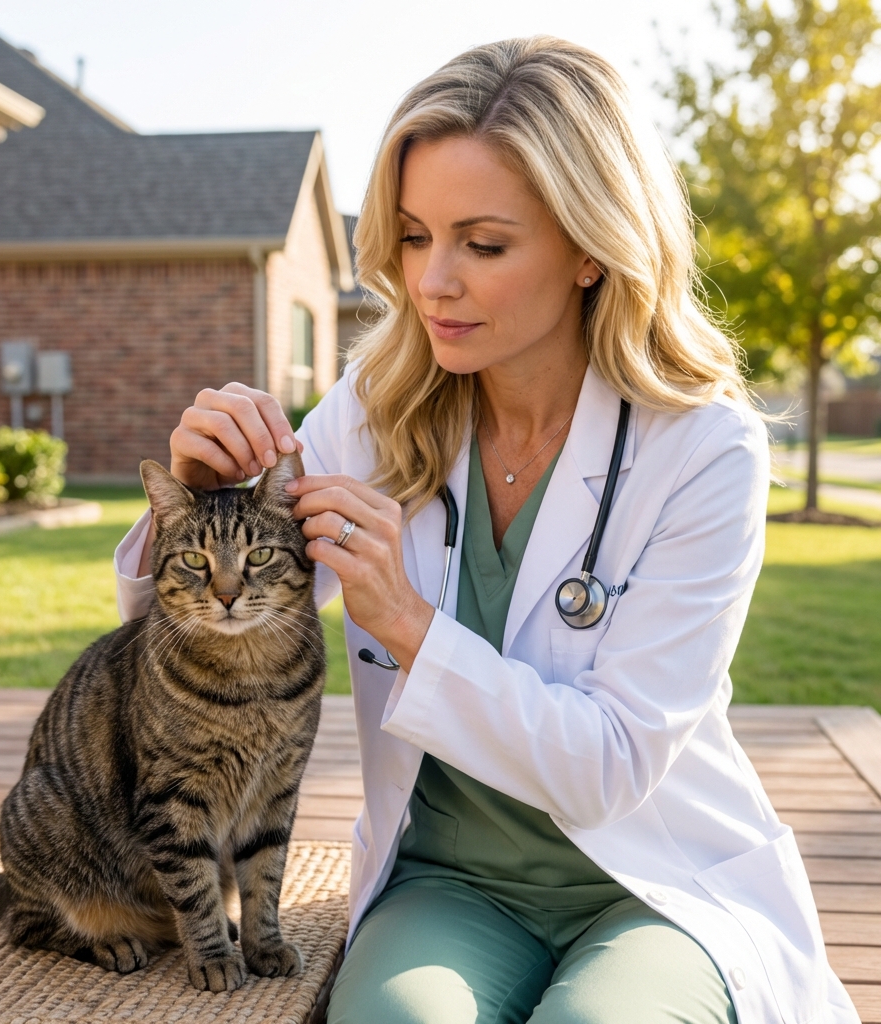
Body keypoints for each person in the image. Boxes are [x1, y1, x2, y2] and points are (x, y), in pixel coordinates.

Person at [113, 36, 857, 1024]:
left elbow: (609, 768)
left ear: (590, 247)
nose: (431, 282)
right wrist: (196, 501)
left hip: (650, 882)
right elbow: (164, 648)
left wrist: (412, 622)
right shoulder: (371, 411)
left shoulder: (703, 450)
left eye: (484, 243)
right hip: (447, 882)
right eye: (416, 237)